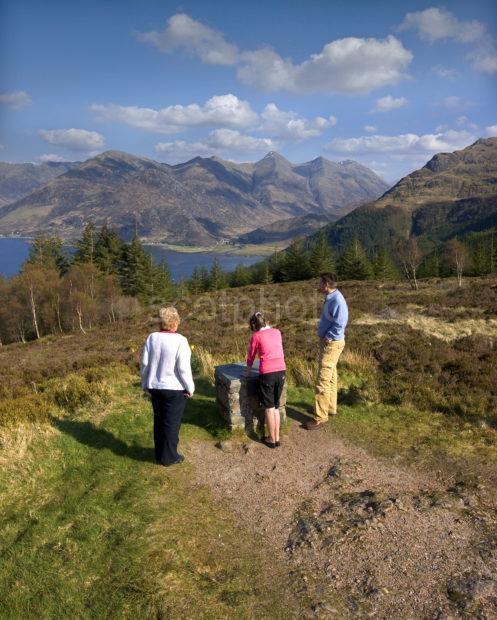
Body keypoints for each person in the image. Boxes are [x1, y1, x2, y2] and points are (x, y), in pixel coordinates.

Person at [141, 306, 194, 466]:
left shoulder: (152, 338)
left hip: (155, 387)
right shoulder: (181, 341)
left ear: (161, 323)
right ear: (175, 323)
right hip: (174, 388)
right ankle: (169, 457)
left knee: (159, 420)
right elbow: (183, 369)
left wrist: (145, 384)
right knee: (171, 423)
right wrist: (190, 388)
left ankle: (159, 453)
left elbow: (145, 364)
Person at [305, 272, 348, 430]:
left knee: (323, 379)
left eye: (320, 282)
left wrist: (328, 336)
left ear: (326, 284)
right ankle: (329, 407)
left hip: (331, 344)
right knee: (330, 377)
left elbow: (341, 323)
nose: (318, 285)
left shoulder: (337, 300)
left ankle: (320, 417)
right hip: (331, 343)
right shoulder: (332, 297)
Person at [245, 312, 286, 448]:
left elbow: (251, 356)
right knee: (275, 406)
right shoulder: (277, 332)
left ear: (254, 325)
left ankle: (271, 440)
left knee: (269, 408)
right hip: (281, 371)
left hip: (267, 373)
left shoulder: (256, 336)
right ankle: (277, 438)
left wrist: (248, 371)